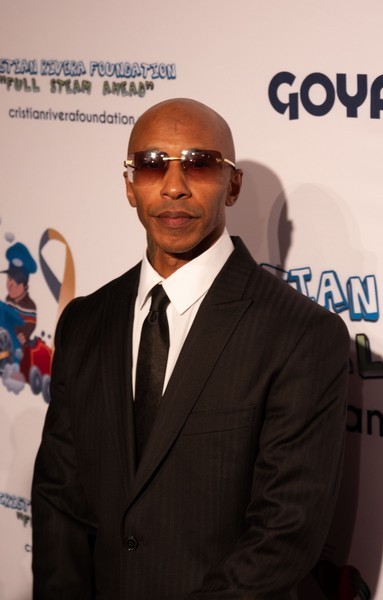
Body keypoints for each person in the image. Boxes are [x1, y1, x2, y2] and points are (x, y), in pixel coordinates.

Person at [31, 98, 349, 600]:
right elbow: (60, 502)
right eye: (151, 165)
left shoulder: (302, 335)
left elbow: (284, 534)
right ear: (129, 186)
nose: (173, 186)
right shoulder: (85, 321)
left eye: (199, 164)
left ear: (233, 184)